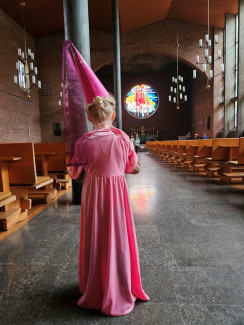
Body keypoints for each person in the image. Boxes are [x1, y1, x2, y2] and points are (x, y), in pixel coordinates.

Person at [70, 95, 149, 316]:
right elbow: (132, 167)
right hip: (117, 193)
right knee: (118, 235)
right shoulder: (122, 138)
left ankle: (94, 286)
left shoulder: (83, 142)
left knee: (96, 235)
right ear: (113, 116)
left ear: (89, 117)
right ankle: (121, 284)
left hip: (94, 193)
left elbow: (75, 173)